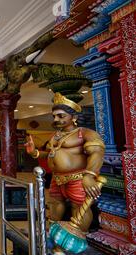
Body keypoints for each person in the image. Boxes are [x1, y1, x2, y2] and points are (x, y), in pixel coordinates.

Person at [25, 93, 105, 232]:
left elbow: (97, 153)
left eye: (61, 116)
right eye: (54, 116)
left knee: (79, 207)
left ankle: (79, 236)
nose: (56, 119)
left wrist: (89, 175)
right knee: (55, 203)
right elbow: (51, 153)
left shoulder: (84, 133)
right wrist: (34, 152)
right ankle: (52, 232)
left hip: (78, 178)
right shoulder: (56, 135)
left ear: (74, 117)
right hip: (57, 178)